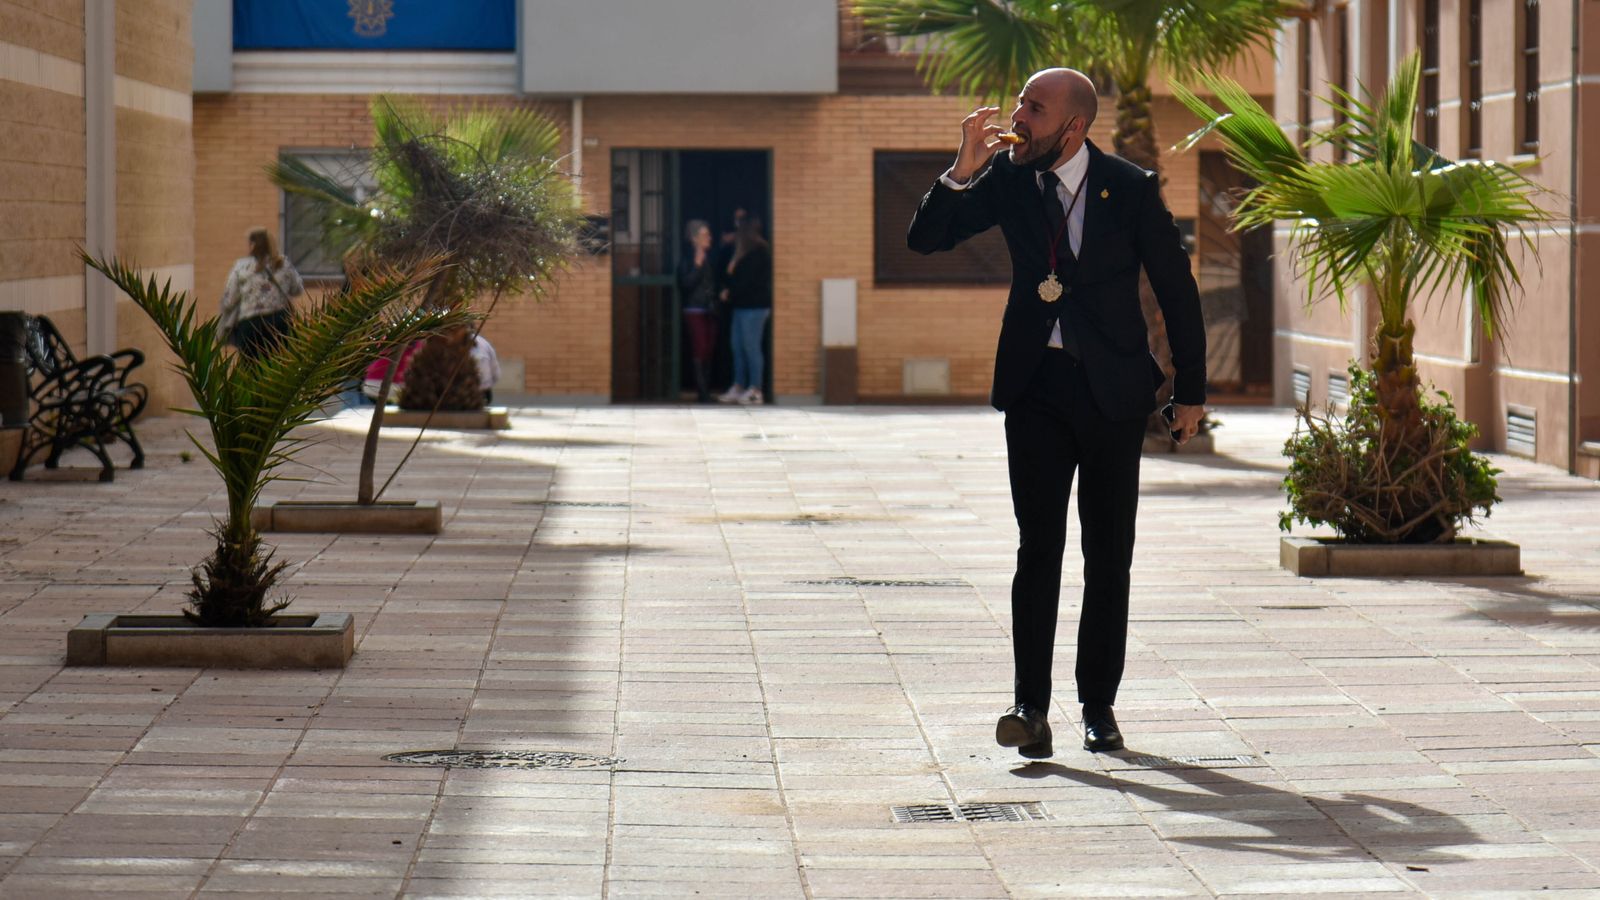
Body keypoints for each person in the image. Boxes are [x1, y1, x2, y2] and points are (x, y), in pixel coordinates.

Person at [907, 68, 1207, 758]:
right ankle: (1029, 707)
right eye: (1020, 103)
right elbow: (927, 240)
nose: (1017, 116)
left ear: (1073, 127)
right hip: (1035, 387)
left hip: (1111, 394)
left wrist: (1190, 389)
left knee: (1109, 554)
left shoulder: (1127, 189)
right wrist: (962, 169)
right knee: (1037, 548)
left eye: (1033, 109)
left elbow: (1175, 286)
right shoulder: (1010, 178)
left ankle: (1098, 705)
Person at [218, 227, 303, 361]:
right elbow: (297, 289)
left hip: (250, 326)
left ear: (252, 245)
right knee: (279, 365)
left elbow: (229, 300)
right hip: (279, 323)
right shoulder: (283, 264)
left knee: (251, 369)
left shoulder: (241, 267)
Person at [716, 216, 772, 406]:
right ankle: (739, 386)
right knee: (737, 346)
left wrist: (729, 292)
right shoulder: (741, 253)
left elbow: (747, 282)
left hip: (755, 308)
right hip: (741, 307)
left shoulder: (759, 252)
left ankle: (755, 389)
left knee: (751, 347)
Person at [677, 219, 719, 402]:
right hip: (694, 309)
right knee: (700, 349)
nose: (709, 238)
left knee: (709, 350)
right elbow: (685, 285)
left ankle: (707, 389)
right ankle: (702, 392)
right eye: (704, 235)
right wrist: (697, 266)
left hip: (710, 309)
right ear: (694, 238)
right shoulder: (687, 258)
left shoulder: (712, 257)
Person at [471, 331, 501, 405]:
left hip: (459, 390)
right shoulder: (484, 343)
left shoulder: (451, 342)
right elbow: (495, 370)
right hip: (483, 390)